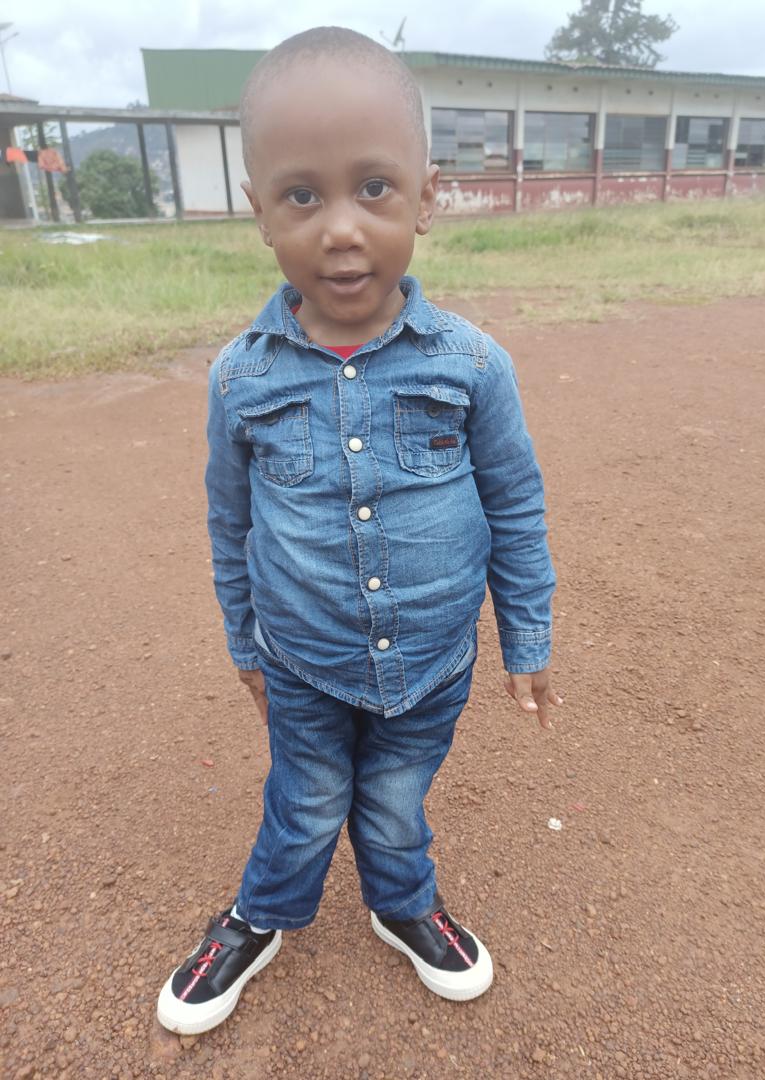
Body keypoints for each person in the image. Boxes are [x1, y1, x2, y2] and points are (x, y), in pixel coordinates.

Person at [156, 26, 560, 1036]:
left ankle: (402, 901)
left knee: (392, 800)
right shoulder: (240, 379)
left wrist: (529, 639)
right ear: (260, 213)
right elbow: (230, 520)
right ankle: (259, 916)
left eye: (373, 188)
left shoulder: (471, 366)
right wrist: (245, 643)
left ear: (425, 195)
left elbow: (515, 505)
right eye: (303, 195)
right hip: (303, 660)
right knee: (304, 802)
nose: (341, 228)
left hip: (432, 661)